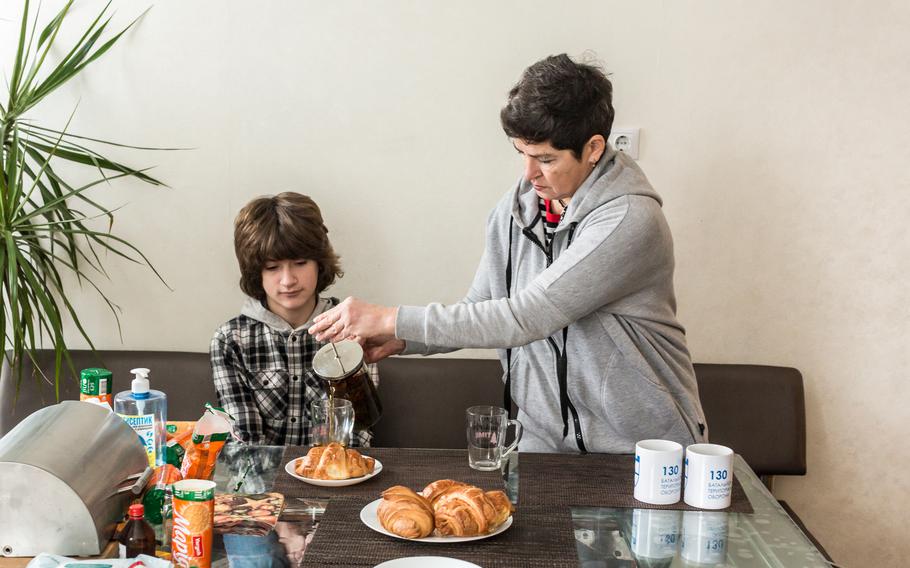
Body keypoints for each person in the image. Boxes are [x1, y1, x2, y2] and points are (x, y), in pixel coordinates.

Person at [309, 54, 706, 454]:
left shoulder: (629, 220)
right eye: (522, 153)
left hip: (643, 448)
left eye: (546, 159)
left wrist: (388, 317)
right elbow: (483, 308)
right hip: (543, 444)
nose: (529, 173)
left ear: (594, 148)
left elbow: (526, 317)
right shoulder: (516, 210)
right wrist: (402, 339)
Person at [211, 192, 377, 446]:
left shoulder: (349, 330)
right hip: (261, 482)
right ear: (256, 272)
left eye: (300, 263)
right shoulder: (231, 341)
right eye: (272, 267)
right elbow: (245, 442)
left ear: (319, 263)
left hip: (336, 476)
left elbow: (357, 433)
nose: (288, 280)